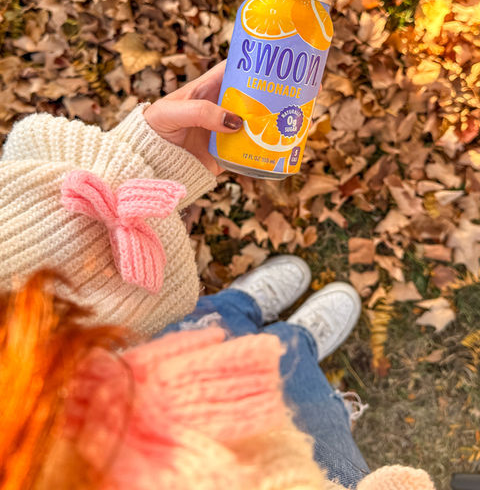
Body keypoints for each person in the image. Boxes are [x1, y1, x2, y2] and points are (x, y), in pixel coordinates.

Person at [0, 63, 435, 490]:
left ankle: (241, 307)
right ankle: (297, 341)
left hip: (125, 380)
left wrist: (146, 165)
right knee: (309, 411)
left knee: (203, 328)